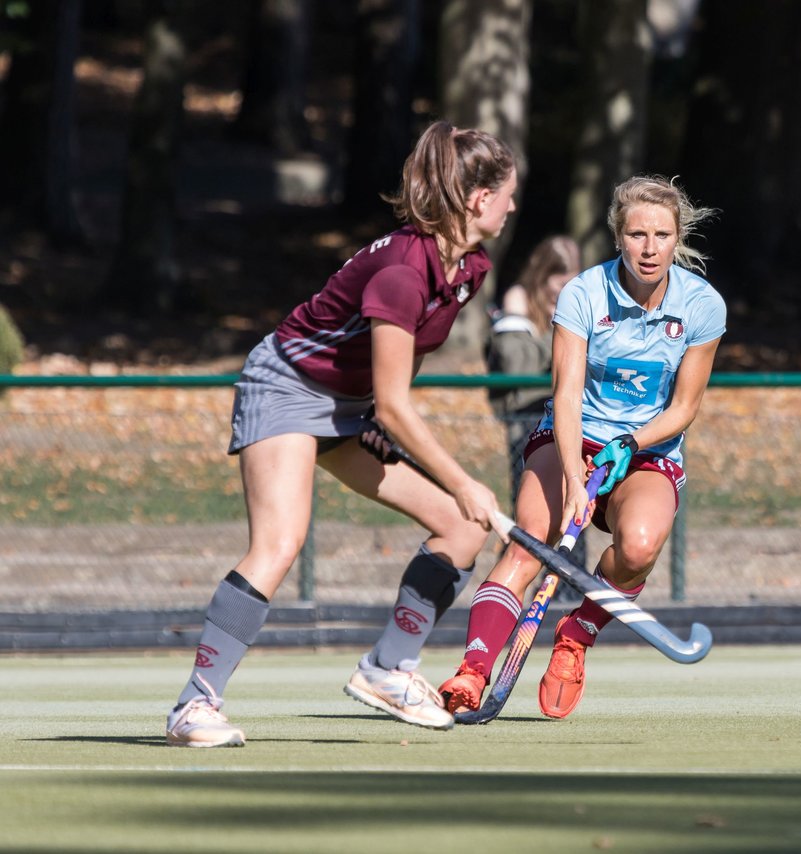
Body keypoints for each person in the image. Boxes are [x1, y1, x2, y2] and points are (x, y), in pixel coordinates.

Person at [164, 120, 517, 747]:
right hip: (288, 387)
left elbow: (402, 371)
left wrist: (384, 426)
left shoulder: (468, 268)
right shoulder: (402, 272)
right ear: (478, 199)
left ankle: (388, 668)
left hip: (353, 405)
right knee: (280, 542)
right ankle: (194, 706)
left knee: (462, 528)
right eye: (508, 192)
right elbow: (397, 400)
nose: (514, 205)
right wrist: (462, 478)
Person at [437, 175, 725, 719]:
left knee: (638, 548)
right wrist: (575, 477)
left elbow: (684, 408)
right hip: (571, 436)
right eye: (637, 234)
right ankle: (472, 673)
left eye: (662, 235)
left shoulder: (702, 306)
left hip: (646, 448)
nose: (649, 247)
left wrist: (629, 443)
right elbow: (565, 393)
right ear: (618, 236)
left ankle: (576, 635)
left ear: (677, 237)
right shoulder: (585, 293)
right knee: (528, 549)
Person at [486, 235, 583, 505]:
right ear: (542, 275)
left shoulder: (575, 302)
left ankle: (571, 547)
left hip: (570, 412)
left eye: (572, 282)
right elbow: (518, 363)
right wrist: (560, 328)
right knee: (530, 495)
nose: (567, 290)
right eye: (561, 282)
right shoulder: (519, 299)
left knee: (573, 493)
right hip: (527, 415)